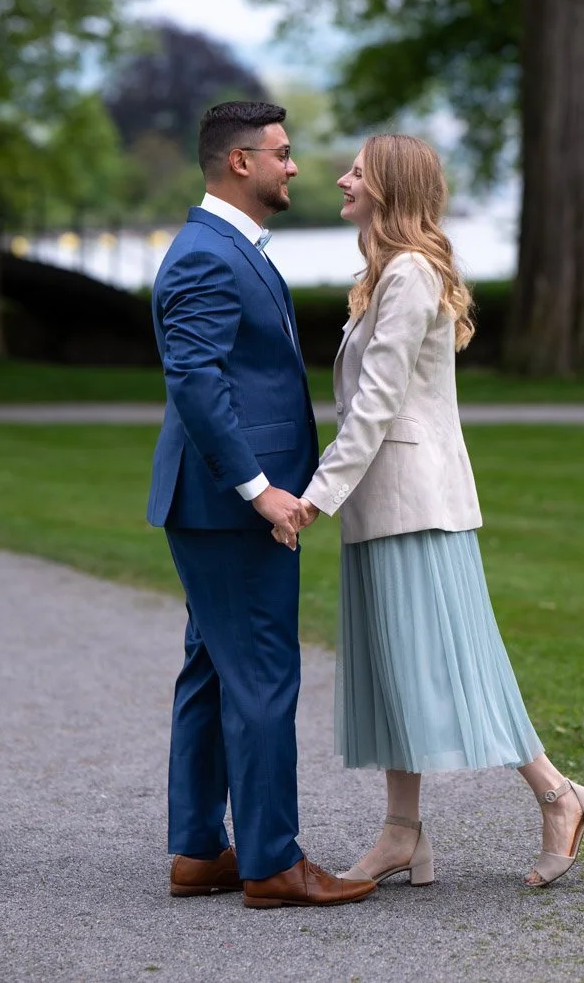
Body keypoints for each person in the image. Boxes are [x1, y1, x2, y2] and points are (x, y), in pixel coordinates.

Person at [290, 134, 584, 889]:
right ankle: (402, 832)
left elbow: (375, 405)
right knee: (395, 669)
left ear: (389, 188)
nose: (340, 179)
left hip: (414, 503)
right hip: (387, 504)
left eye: (357, 172)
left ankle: (557, 796)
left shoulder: (407, 273)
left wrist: (314, 496)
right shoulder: (387, 273)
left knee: (451, 663)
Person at [147, 100, 375, 910]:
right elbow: (198, 384)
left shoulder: (227, 247)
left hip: (215, 504)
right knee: (264, 678)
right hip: (231, 506)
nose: (295, 166)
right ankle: (274, 864)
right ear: (239, 162)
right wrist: (260, 490)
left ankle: (200, 850)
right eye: (282, 153)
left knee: (213, 670)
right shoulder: (208, 256)